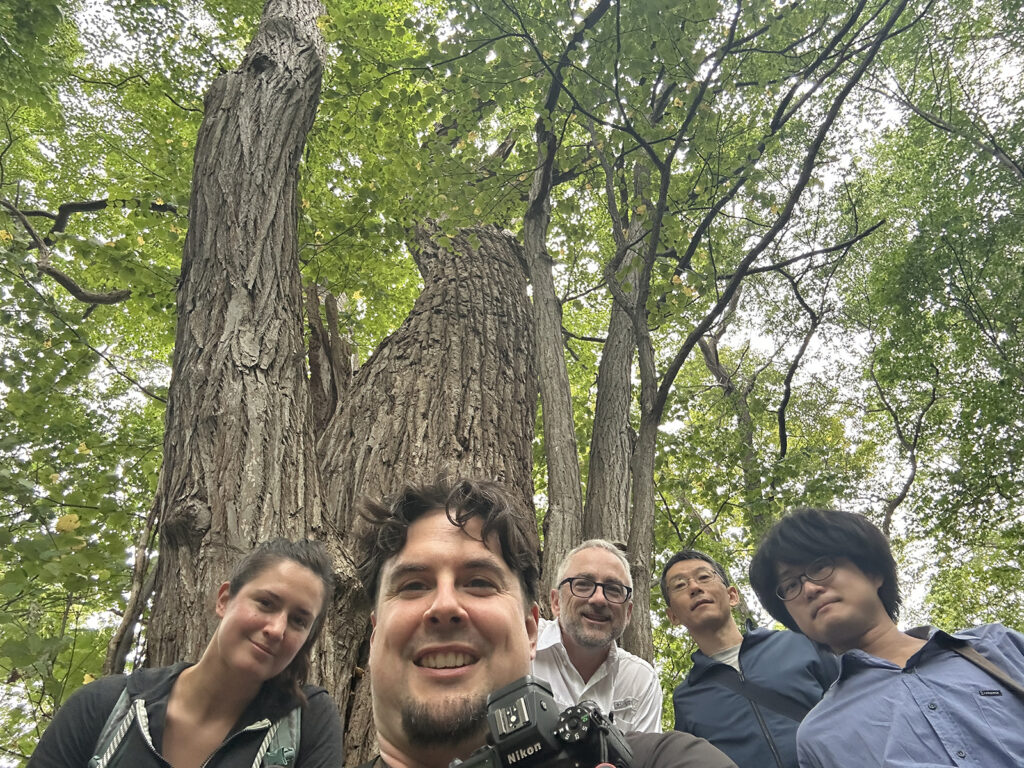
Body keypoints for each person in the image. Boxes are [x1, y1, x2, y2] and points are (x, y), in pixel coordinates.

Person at [355, 475, 738, 768]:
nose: (444, 605)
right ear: (374, 635)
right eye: (413, 585)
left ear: (530, 630)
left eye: (478, 583)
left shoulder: (660, 749)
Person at [29, 538, 344, 768]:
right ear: (224, 600)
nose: (277, 628)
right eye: (266, 603)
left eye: (299, 621)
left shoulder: (305, 723)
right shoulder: (104, 707)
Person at [748, 507, 1024, 768]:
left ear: (873, 572)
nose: (809, 588)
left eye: (821, 567)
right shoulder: (818, 736)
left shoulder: (996, 647)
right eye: (790, 585)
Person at [662, 549, 838, 768]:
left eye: (704, 577)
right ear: (673, 617)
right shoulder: (686, 699)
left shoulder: (800, 643)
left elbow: (859, 706)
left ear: (732, 596)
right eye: (680, 585)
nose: (695, 588)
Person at [533, 539, 662, 733]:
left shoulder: (640, 681)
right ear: (556, 602)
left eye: (614, 590)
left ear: (628, 613)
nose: (599, 599)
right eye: (583, 584)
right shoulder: (518, 644)